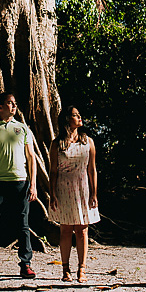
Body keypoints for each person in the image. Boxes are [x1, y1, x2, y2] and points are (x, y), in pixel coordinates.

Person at [0, 92, 37, 281]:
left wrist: (33, 184)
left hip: (20, 182)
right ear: (0, 107)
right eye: (9, 103)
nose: (14, 106)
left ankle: (25, 264)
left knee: (23, 224)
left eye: (15, 103)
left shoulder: (22, 128)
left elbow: (31, 157)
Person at [48, 106, 99, 282]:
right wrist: (52, 193)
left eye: (79, 114)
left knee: (82, 230)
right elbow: (52, 171)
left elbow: (92, 169)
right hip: (63, 188)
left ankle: (82, 269)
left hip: (82, 188)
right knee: (65, 230)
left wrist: (94, 193)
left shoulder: (88, 142)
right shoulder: (57, 144)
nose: (79, 117)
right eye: (76, 115)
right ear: (67, 119)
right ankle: (65, 269)